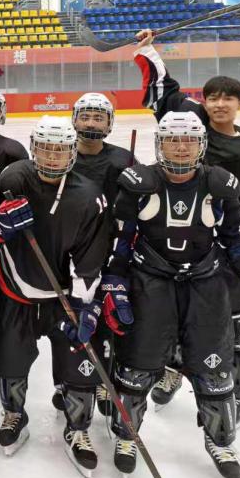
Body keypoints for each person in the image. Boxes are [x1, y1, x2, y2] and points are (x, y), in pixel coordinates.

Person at [103, 111, 240, 478]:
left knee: (213, 366)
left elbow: (235, 242)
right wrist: (115, 285)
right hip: (150, 284)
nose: (181, 147)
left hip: (205, 286)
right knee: (137, 363)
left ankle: (220, 440)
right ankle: (127, 436)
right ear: (159, 144)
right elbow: (121, 243)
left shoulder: (220, 185)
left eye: (189, 140)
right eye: (172, 140)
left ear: (201, 144)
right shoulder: (139, 184)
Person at [134, 30, 240, 426]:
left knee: (232, 322)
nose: (219, 104)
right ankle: (172, 369)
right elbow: (162, 89)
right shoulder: (190, 123)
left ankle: (236, 395)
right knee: (174, 316)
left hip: (227, 247)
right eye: (213, 97)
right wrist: (148, 47)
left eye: (228, 98)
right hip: (177, 240)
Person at [0, 116, 112, 478]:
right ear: (33, 148)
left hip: (63, 297)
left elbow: (91, 257)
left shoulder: (89, 197)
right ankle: (14, 414)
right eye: (45, 148)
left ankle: (78, 428)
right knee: (10, 358)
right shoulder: (12, 180)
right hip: (17, 290)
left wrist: (83, 304)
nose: (53, 156)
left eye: (60, 149)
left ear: (72, 152)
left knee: (78, 361)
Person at [68, 92, 137, 417]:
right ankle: (71, 380)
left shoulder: (123, 160)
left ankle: (104, 378)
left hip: (110, 251)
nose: (92, 123)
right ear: (74, 120)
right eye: (86, 116)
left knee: (108, 316)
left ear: (109, 123)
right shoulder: (61, 153)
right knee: (73, 316)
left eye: (99, 117)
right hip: (69, 252)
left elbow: (133, 212)